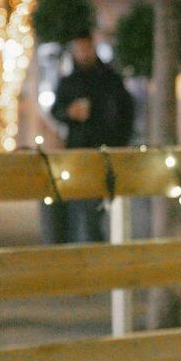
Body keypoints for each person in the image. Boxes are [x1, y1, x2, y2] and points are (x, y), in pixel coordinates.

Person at [48, 30, 135, 243]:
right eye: (78, 49)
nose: (83, 53)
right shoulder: (69, 81)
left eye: (85, 47)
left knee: (95, 209)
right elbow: (56, 110)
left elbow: (126, 111)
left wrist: (121, 141)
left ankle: (95, 247)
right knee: (81, 206)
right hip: (78, 150)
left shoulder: (110, 79)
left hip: (105, 150)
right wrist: (69, 113)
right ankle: (87, 246)